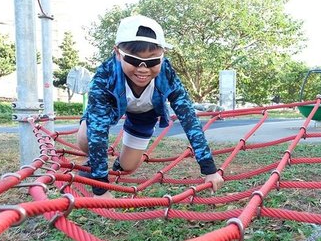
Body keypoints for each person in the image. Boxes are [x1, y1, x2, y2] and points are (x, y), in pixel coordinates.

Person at [77, 15, 224, 197]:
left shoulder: (166, 74)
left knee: (129, 166)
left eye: (153, 61)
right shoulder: (104, 77)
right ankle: (92, 162)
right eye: (133, 59)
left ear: (163, 56)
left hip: (144, 114)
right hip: (108, 110)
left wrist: (209, 169)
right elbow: (99, 130)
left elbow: (189, 120)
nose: (143, 69)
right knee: (86, 139)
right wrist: (100, 187)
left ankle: (117, 166)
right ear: (117, 53)